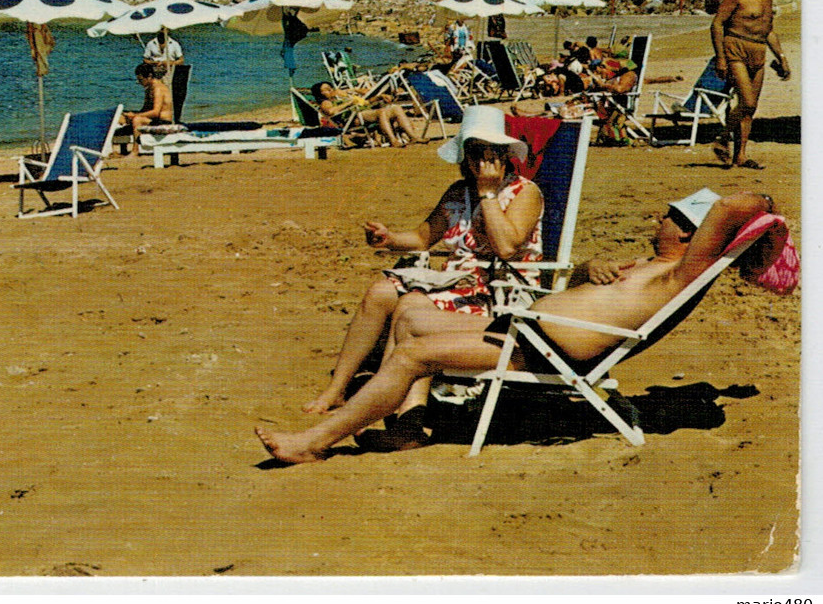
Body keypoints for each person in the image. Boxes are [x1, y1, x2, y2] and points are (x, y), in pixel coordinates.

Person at [257, 190, 777, 464]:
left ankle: (315, 441)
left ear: (689, 234)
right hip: (530, 328)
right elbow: (589, 294)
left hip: (540, 345)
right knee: (411, 313)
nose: (656, 220)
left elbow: (737, 204)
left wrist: (769, 215)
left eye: (669, 216)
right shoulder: (650, 267)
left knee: (411, 354)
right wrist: (586, 268)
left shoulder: (682, 275)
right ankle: (407, 424)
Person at [300, 107, 542, 418]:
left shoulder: (525, 193)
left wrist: (488, 193)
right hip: (456, 285)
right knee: (379, 292)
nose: (480, 160)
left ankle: (396, 412)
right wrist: (389, 238)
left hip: (497, 294)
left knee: (410, 306)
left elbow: (506, 247)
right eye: (473, 151)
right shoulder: (458, 192)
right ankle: (337, 389)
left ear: (504, 155)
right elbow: (421, 238)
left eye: (488, 151)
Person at [711, 0, 791, 170]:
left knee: (750, 110)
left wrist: (781, 57)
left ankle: (741, 155)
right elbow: (718, 24)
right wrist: (720, 58)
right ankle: (722, 137)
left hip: (758, 51)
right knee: (747, 101)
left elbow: (768, 30)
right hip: (736, 48)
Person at [310, 81, 421, 149]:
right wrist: (349, 102)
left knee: (396, 108)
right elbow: (331, 112)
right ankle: (393, 140)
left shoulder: (343, 96)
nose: (330, 90)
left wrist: (379, 97)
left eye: (330, 87)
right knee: (381, 112)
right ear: (320, 94)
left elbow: (367, 102)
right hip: (353, 119)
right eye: (325, 90)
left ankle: (413, 137)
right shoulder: (325, 102)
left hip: (365, 113)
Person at [122, 62, 174, 132]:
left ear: (149, 76)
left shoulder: (158, 88)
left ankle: (136, 142)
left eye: (141, 80)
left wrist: (135, 116)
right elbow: (145, 110)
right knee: (121, 118)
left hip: (162, 121)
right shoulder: (149, 89)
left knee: (137, 120)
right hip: (153, 120)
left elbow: (156, 112)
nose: (139, 82)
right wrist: (129, 115)